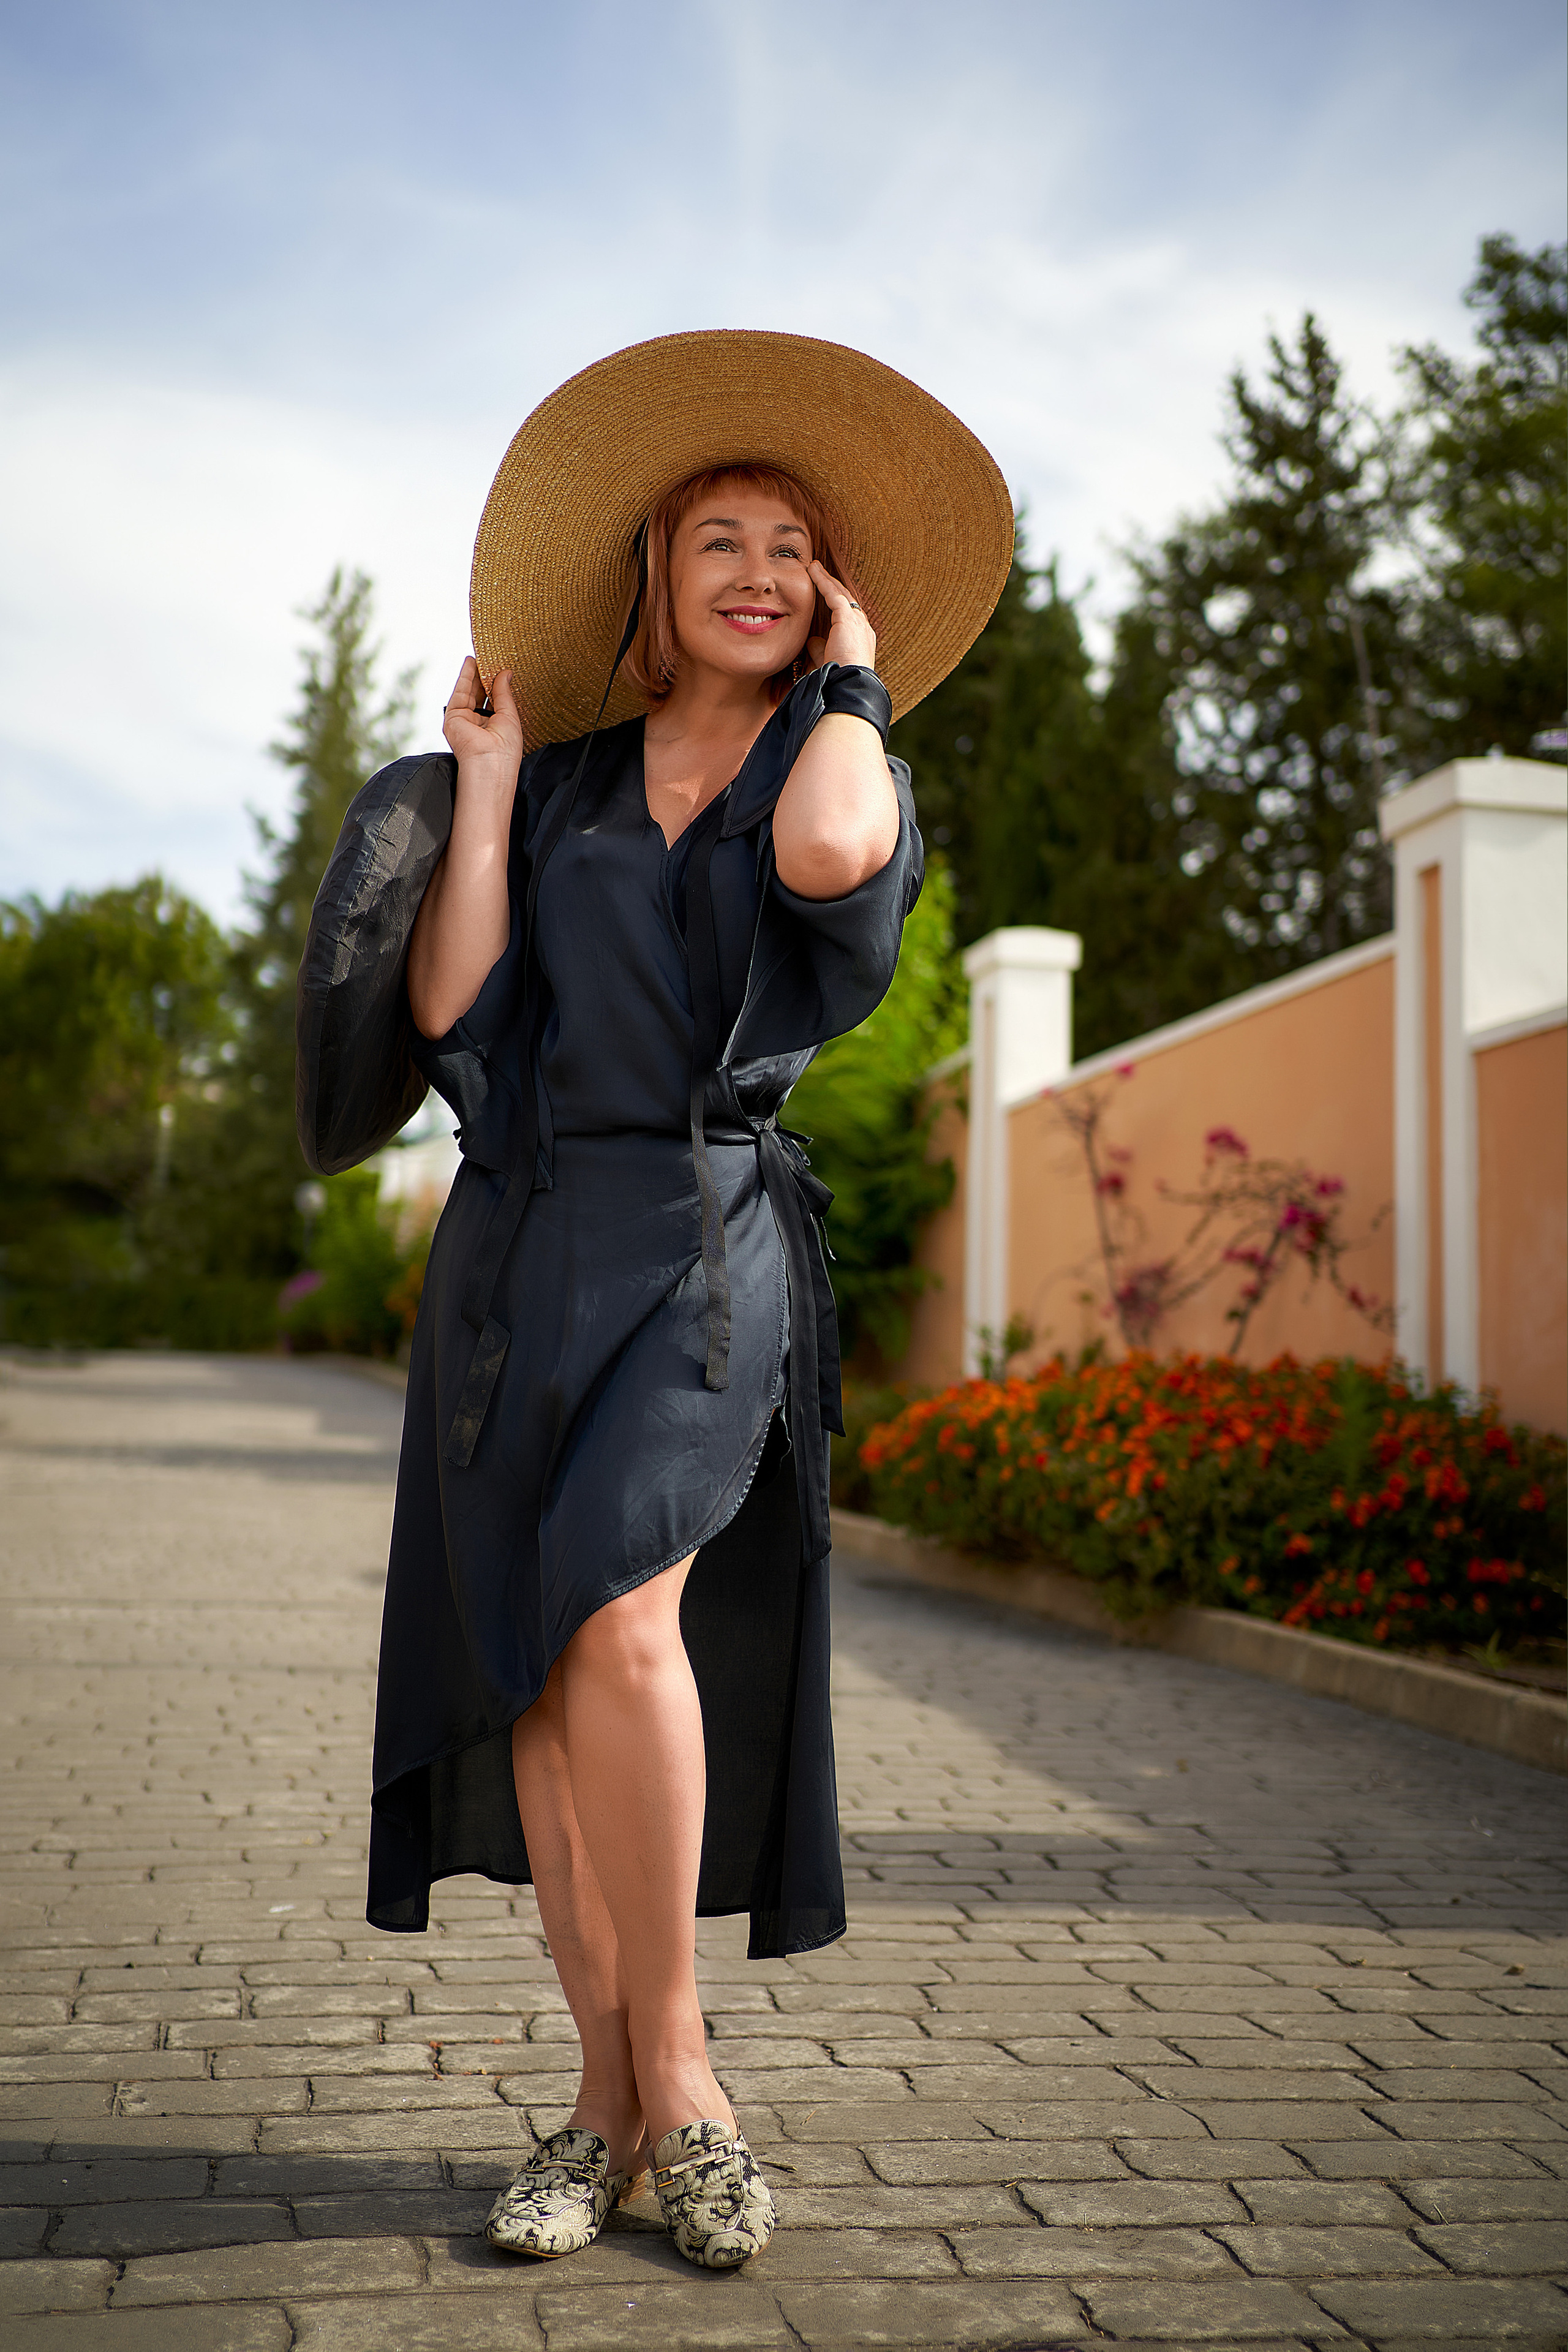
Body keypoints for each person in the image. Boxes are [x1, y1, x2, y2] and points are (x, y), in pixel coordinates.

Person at [295, 329, 1012, 2271]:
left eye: (796, 543)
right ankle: (601, 2104)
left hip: (712, 1250)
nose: (761, 568)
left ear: (831, 594)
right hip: (523, 1240)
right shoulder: (570, 777)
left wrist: (855, 677)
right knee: (540, 1671)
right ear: (654, 573)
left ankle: (678, 2081)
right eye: (722, 535)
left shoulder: (837, 755)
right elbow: (453, 1008)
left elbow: (832, 856)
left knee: (621, 1617)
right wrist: (492, 780)